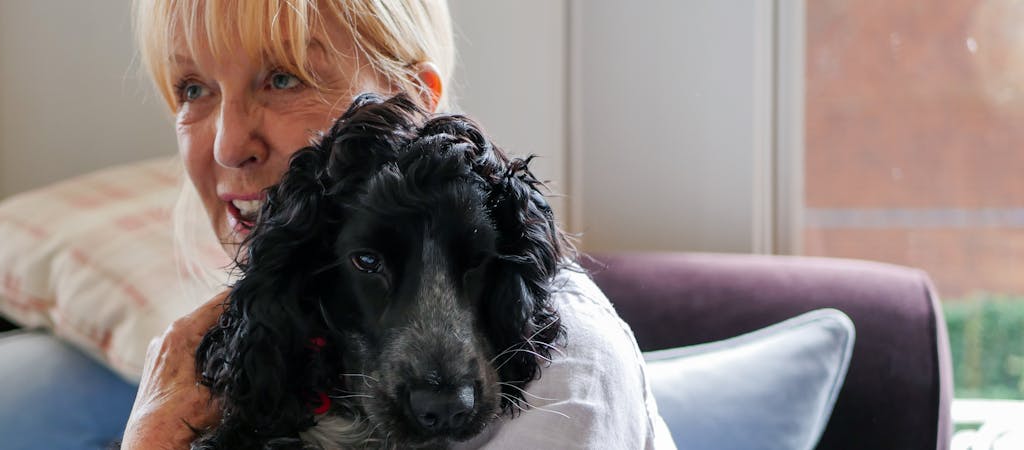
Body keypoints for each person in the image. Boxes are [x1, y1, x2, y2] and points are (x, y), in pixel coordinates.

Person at [124, 1, 675, 449]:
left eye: (283, 78)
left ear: (412, 102)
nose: (227, 145)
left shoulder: (562, 360)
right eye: (193, 89)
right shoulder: (282, 329)